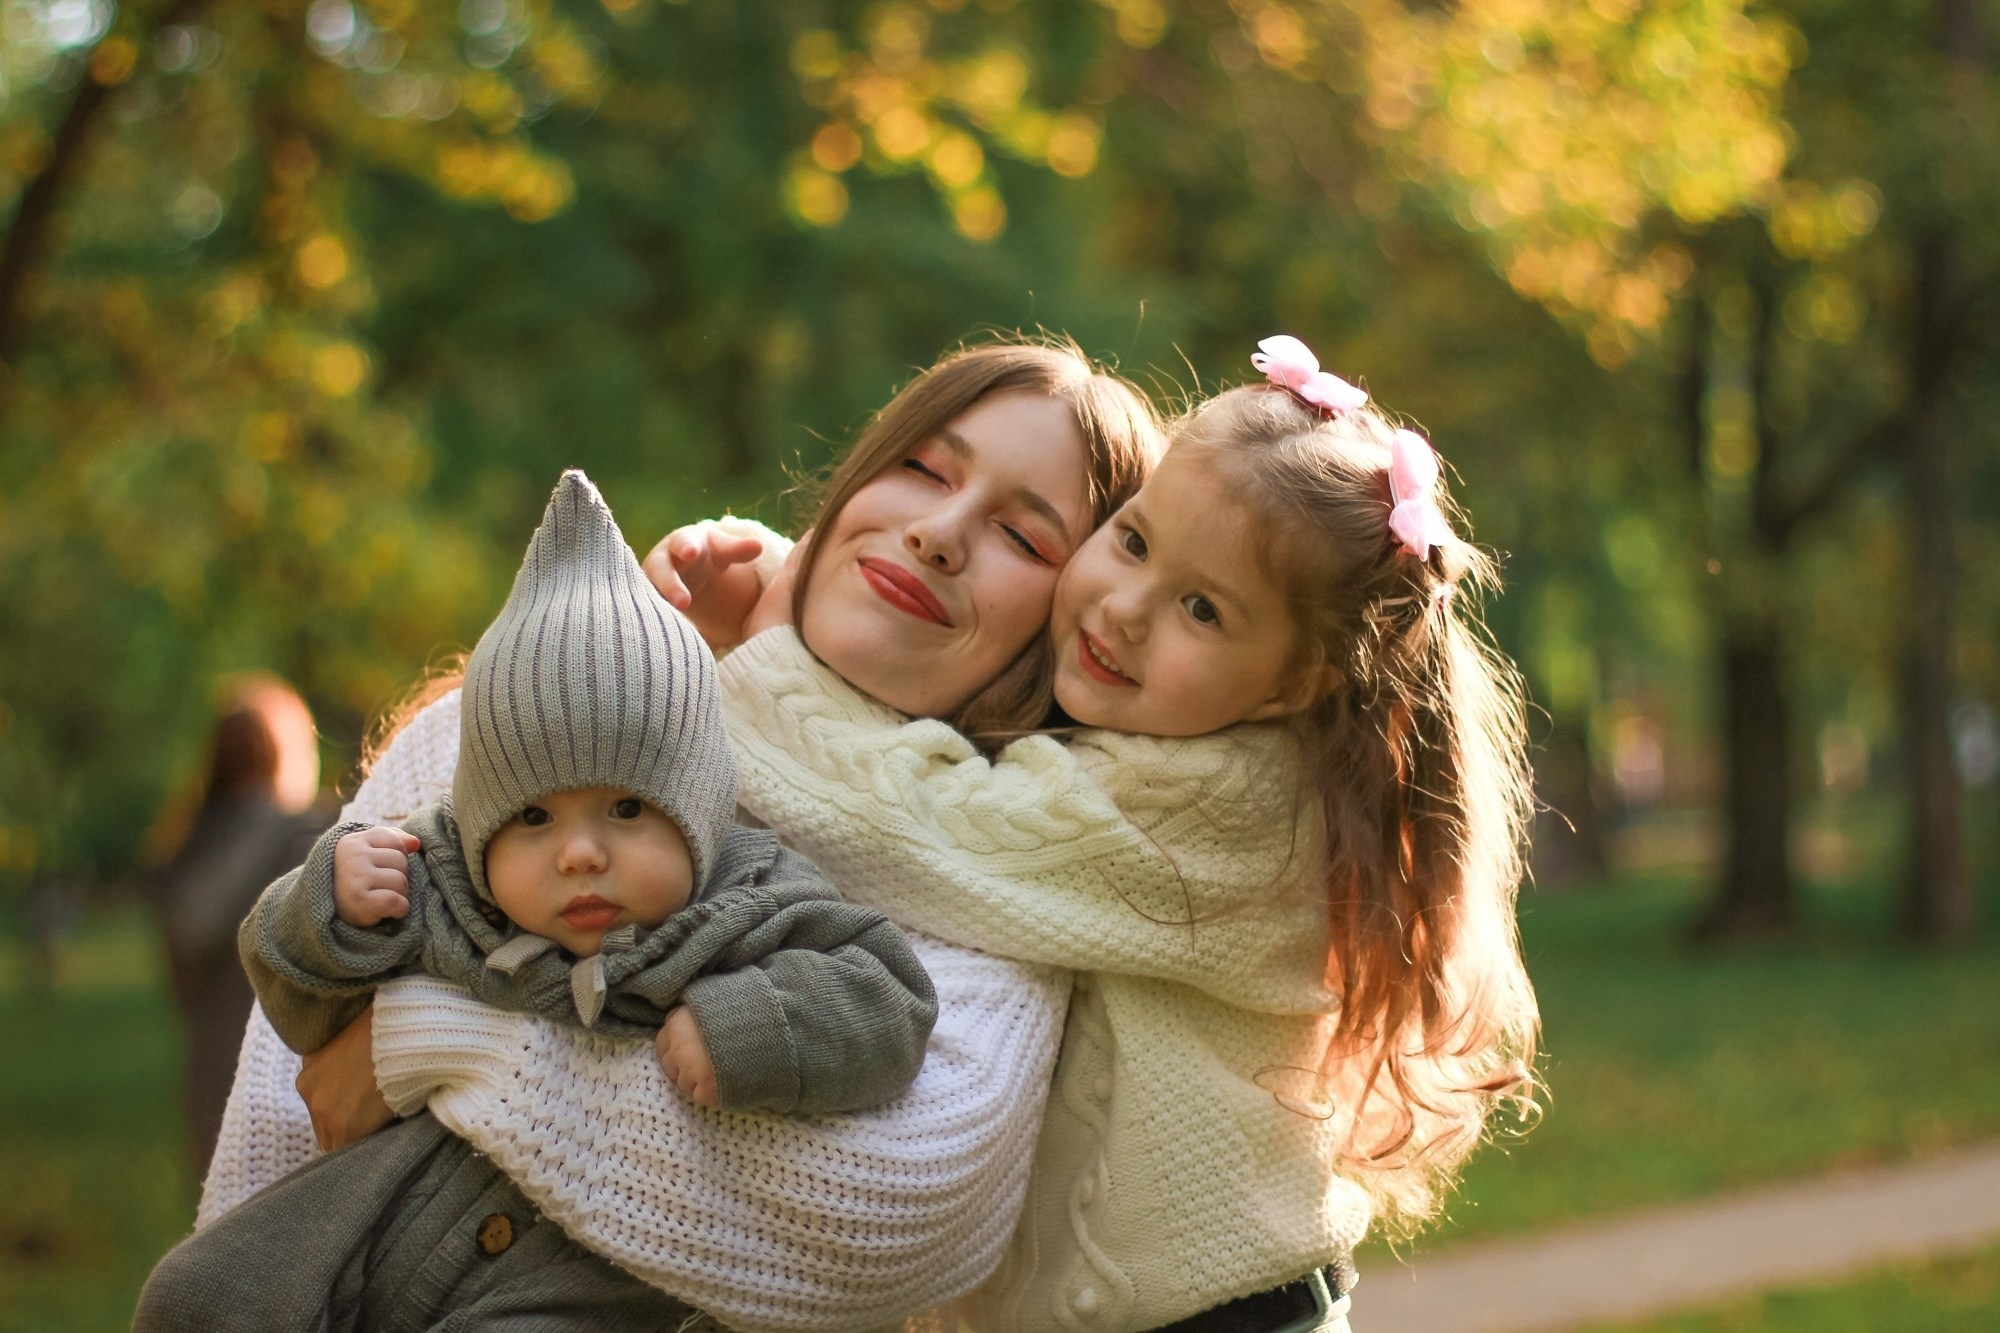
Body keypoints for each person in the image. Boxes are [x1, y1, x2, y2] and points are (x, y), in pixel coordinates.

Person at [192, 338, 1166, 1330]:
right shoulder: (535, 706)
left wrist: (432, 1035)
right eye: (922, 467)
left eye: (1023, 538)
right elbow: (274, 1129)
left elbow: (895, 1204)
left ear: (1067, 625)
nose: (939, 532)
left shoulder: (1003, 883)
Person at [689, 335, 1539, 1329]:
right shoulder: (1155, 740)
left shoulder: (1225, 807)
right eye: (1132, 540)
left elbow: (920, 826)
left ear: (1294, 682)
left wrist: (764, 644)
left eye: (1201, 609)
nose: (1127, 609)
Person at [137, 470, 935, 1331]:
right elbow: (296, 1005)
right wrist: (328, 905)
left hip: (582, 1274)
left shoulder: (747, 894)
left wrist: (746, 1026)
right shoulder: (438, 874)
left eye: (626, 809)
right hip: (379, 1211)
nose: (581, 852)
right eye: (534, 818)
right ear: (481, 828)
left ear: (700, 809)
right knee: (199, 1294)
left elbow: (887, 992)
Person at [144, 674, 330, 1175]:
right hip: (294, 1084)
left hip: (211, 1077)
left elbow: (179, 979)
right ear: (286, 754)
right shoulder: (312, 844)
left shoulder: (185, 842)